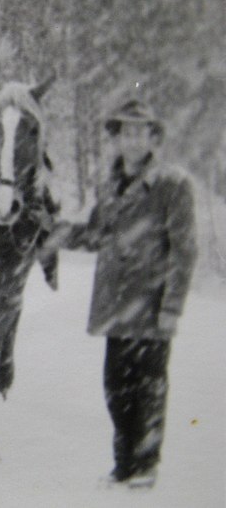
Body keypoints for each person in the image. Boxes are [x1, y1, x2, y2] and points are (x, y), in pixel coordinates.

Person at [48, 99, 198, 488]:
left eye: (140, 132)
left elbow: (185, 250)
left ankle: (145, 467)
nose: (132, 140)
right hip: (117, 307)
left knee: (148, 387)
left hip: (150, 307)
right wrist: (55, 232)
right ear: (117, 138)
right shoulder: (110, 184)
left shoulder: (172, 184)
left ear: (153, 138)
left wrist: (172, 307)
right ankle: (124, 465)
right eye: (125, 132)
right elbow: (97, 234)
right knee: (116, 388)